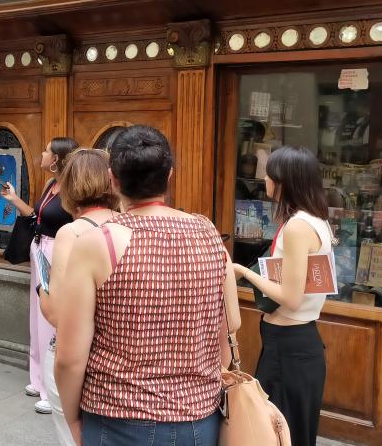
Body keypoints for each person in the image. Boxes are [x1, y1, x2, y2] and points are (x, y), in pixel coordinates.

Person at [54, 125, 241, 446]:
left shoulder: (98, 244)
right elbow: (231, 325)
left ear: (112, 179)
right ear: (169, 176)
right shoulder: (208, 233)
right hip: (198, 421)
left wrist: (71, 418)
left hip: (118, 419)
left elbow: (70, 358)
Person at [233, 146, 332, 446]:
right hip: (299, 345)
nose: (265, 180)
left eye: (270, 174)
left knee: (278, 436)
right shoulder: (318, 221)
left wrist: (245, 272)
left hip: (288, 350)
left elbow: (290, 297)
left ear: (284, 181)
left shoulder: (298, 227)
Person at [38, 148, 117, 445]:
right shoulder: (126, 225)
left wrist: (42, 289)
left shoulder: (71, 233)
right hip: (112, 359)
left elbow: (56, 312)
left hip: (76, 354)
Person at [0, 137, 78, 414]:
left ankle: (51, 387)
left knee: (50, 319)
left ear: (56, 159)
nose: (42, 154)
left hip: (58, 250)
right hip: (40, 248)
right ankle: (37, 377)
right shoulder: (50, 185)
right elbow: (36, 216)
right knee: (37, 314)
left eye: (46, 151)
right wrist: (14, 200)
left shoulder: (71, 189)